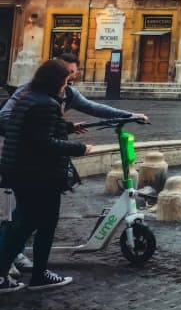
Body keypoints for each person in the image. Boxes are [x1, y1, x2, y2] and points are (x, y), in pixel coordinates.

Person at [0, 52, 145, 282]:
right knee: (24, 222)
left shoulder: (47, 95)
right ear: (55, 78)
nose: (69, 80)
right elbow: (30, 132)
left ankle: (28, 271)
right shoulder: (39, 99)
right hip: (33, 168)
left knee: (30, 221)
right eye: (66, 76)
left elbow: (93, 108)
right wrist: (73, 144)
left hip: (25, 165)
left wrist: (63, 127)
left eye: (71, 74)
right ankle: (12, 269)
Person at [0, 59, 92, 291]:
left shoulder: (26, 97)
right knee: (41, 225)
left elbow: (29, 129)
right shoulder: (46, 104)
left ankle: (5, 275)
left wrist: (68, 127)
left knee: (19, 225)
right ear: (55, 81)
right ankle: (39, 275)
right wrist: (80, 148)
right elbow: (44, 142)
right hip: (41, 175)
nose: (66, 85)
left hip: (17, 171)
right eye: (65, 80)